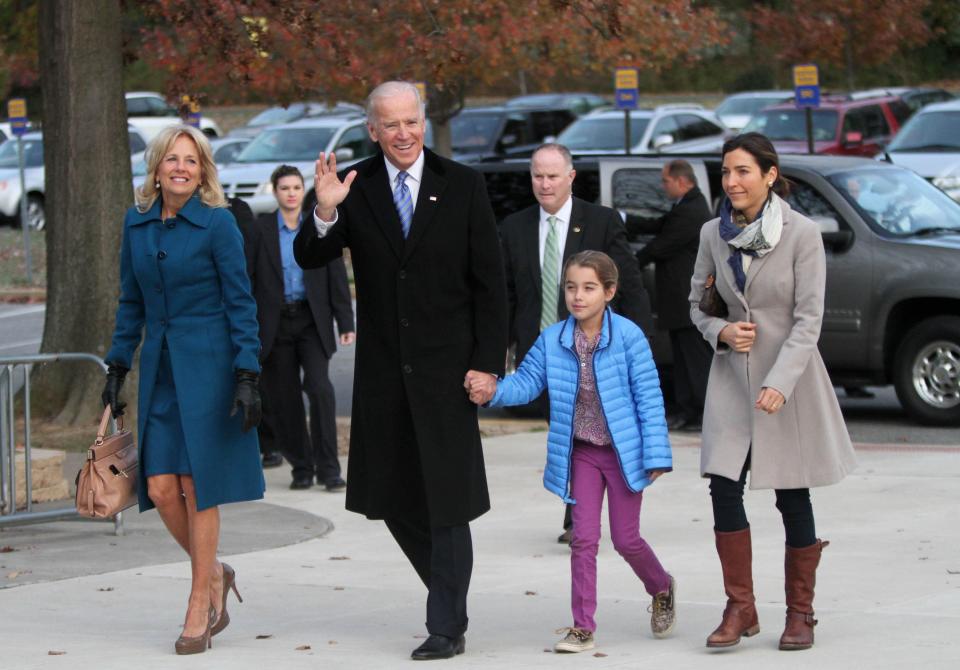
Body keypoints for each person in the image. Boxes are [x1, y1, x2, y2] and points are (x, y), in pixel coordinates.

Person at [293, 81, 507, 660]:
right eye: (391, 124)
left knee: (448, 500)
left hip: (449, 376)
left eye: (411, 120)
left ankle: (446, 624)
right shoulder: (354, 187)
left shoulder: (461, 185)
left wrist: (489, 366)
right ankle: (448, 594)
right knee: (388, 496)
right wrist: (325, 209)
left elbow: (491, 285)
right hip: (385, 375)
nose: (404, 133)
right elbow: (311, 256)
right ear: (373, 130)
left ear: (421, 119)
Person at [688, 132, 857, 651]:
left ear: (768, 174)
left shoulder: (802, 234)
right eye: (725, 172)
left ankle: (801, 613)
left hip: (788, 382)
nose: (732, 181)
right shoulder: (711, 234)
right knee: (722, 487)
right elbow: (696, 305)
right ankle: (741, 607)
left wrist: (780, 383)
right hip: (730, 382)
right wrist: (720, 331)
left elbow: (809, 321)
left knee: (791, 494)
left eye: (742, 171)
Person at [102, 124, 264, 655]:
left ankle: (199, 601)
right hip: (162, 373)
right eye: (172, 159)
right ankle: (215, 571)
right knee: (159, 489)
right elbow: (131, 302)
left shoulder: (218, 225)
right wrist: (117, 365)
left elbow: (241, 302)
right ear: (156, 167)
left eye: (191, 161)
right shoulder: (138, 224)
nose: (180, 168)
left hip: (212, 369)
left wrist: (246, 373)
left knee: (199, 485)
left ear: (202, 171)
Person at [466, 250, 674, 653]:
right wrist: (492, 390)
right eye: (571, 287)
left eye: (589, 288)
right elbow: (526, 383)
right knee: (583, 539)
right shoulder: (553, 339)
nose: (578, 296)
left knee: (627, 539)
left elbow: (649, 397)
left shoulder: (629, 337)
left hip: (623, 454)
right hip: (581, 452)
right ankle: (583, 627)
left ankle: (661, 586)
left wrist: (656, 453)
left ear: (609, 292)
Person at [498, 142, 652, 544]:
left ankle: (598, 508)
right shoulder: (514, 227)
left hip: (599, 351)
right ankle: (579, 514)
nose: (544, 184)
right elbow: (507, 295)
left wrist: (635, 346)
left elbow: (630, 286)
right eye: (537, 176)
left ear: (570, 177)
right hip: (547, 353)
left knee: (597, 434)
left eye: (552, 176)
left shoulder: (599, 222)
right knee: (565, 432)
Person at [244, 164, 355, 491]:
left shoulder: (317, 225)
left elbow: (335, 273)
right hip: (275, 324)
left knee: (321, 389)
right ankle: (302, 467)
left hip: (311, 320)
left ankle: (330, 469)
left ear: (301, 191)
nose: (291, 193)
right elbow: (249, 280)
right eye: (284, 188)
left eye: (295, 187)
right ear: (275, 192)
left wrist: (345, 321)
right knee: (285, 400)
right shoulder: (259, 230)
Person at [627, 160, 713, 432]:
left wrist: (628, 266)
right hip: (677, 299)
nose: (663, 187)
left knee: (694, 357)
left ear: (681, 181)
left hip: (687, 297)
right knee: (683, 356)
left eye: (665, 181)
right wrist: (625, 219)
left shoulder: (692, 210)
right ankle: (688, 408)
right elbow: (659, 225)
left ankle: (701, 410)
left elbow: (662, 245)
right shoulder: (683, 206)